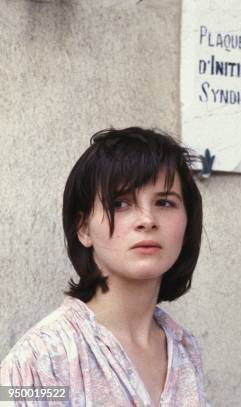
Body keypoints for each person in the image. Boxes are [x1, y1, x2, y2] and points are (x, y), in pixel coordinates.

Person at [1, 127, 211, 406]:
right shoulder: (41, 361)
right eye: (121, 203)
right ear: (83, 228)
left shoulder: (185, 348)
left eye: (164, 202)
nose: (147, 220)